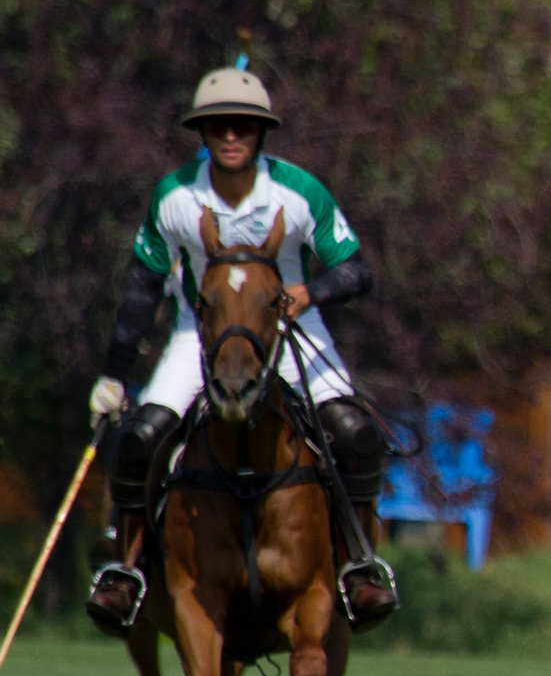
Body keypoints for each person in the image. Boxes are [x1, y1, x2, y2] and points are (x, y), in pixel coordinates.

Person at [85, 66, 397, 632]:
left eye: (244, 126)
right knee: (140, 438)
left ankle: (360, 565)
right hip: (195, 338)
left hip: (292, 330)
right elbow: (140, 291)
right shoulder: (175, 196)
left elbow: (358, 270)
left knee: (356, 433)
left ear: (262, 134)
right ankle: (126, 571)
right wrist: (113, 376)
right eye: (219, 126)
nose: (232, 136)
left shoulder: (299, 192)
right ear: (202, 133)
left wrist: (311, 290)